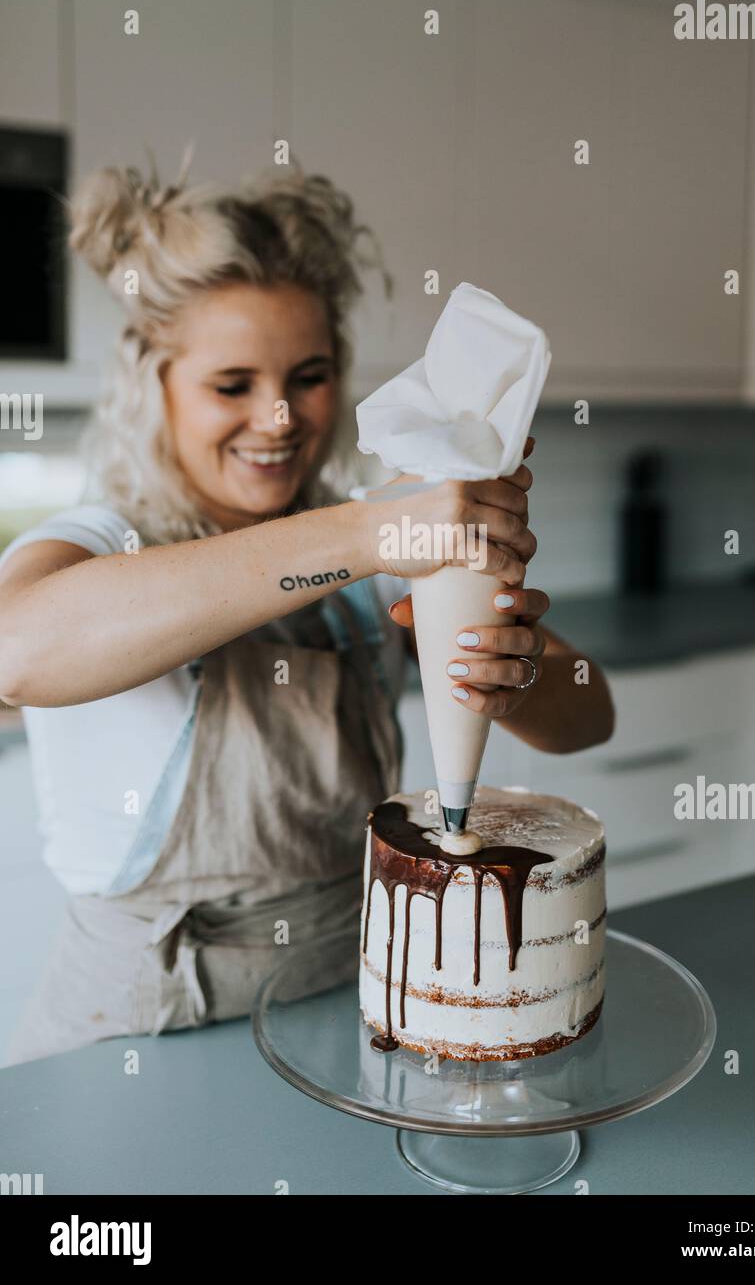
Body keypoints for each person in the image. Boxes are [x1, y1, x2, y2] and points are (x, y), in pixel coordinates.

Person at [0, 158, 614, 1063]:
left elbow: (590, 714)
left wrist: (512, 681)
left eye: (310, 374)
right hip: (140, 1036)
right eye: (233, 383)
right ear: (154, 384)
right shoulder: (102, 539)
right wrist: (366, 535)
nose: (280, 416)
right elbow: (17, 652)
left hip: (356, 1013)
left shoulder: (377, 554)